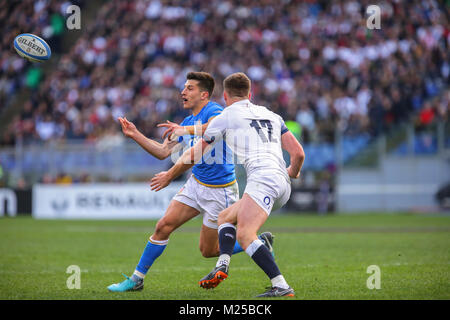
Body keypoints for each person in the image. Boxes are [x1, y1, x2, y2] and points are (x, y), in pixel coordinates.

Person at [107, 71, 275, 292]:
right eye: (184, 87)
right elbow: (162, 151)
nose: (183, 92)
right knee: (163, 226)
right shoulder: (187, 121)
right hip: (196, 184)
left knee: (209, 251)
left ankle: (258, 243)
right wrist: (135, 134)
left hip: (220, 191)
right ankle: (136, 279)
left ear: (204, 94)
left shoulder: (214, 111)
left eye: (189, 88)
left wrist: (173, 164)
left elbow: (213, 129)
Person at [150, 72, 305, 297]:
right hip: (282, 183)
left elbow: (197, 151)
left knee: (245, 234)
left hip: (262, 179)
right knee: (225, 217)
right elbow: (298, 153)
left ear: (225, 96)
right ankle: (222, 264)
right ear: (249, 94)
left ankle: (281, 285)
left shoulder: (227, 115)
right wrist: (292, 172)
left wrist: (170, 172)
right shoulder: (271, 114)